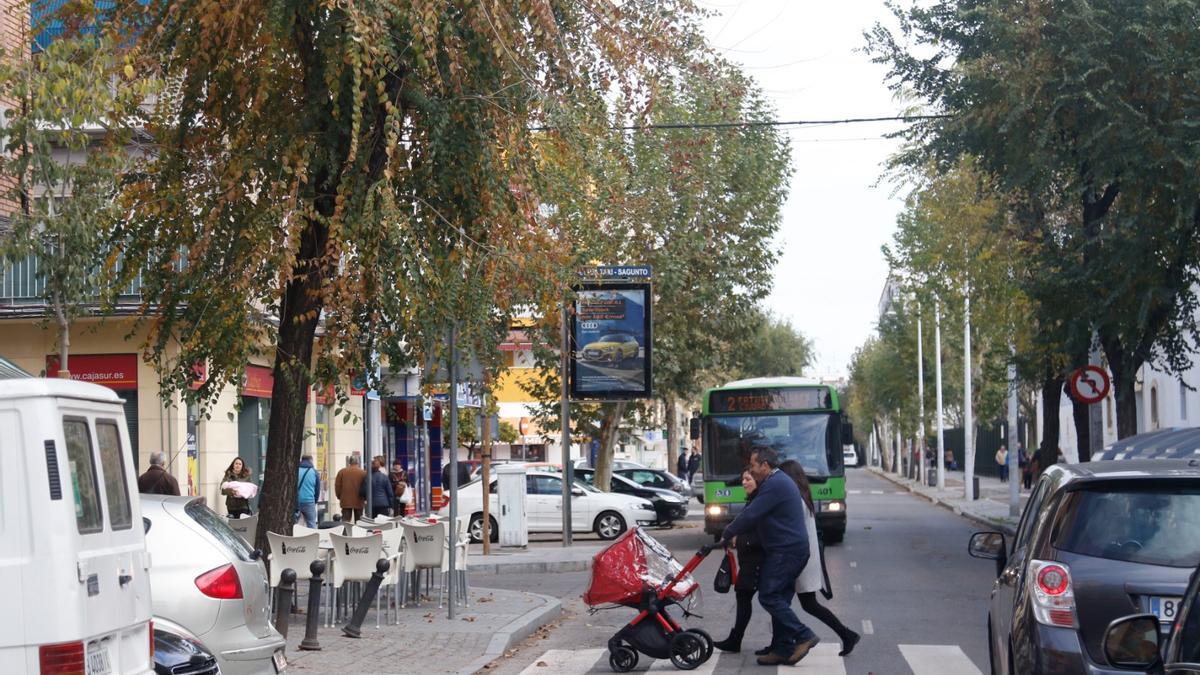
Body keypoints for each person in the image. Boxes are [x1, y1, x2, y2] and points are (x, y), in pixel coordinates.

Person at [719, 446, 819, 666]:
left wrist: (727, 533)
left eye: (754, 465)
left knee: (768, 596)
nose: (751, 470)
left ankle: (803, 635)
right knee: (780, 598)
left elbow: (752, 514)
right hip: (787, 549)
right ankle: (783, 649)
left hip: (787, 551)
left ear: (765, 465)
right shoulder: (775, 482)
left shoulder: (775, 484)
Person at [779, 460, 861, 657]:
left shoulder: (795, 499)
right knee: (801, 603)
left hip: (800, 558)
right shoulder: (803, 496)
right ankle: (846, 634)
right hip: (806, 557)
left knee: (789, 602)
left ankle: (844, 634)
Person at [713, 470, 766, 654]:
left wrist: (739, 540)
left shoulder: (760, 501)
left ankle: (736, 640)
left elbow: (762, 533)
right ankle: (736, 639)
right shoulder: (753, 499)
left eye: (748, 479)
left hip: (757, 559)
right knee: (746, 597)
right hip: (750, 559)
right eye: (742, 479)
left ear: (758, 481)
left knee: (767, 600)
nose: (743, 483)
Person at [334, 454, 367, 523]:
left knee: (346, 520)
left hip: (346, 500)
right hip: (359, 500)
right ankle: (358, 533)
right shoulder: (363, 473)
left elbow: (337, 486)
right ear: (358, 462)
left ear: (349, 462)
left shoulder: (342, 472)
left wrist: (339, 496)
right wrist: (365, 498)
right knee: (359, 520)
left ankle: (345, 533)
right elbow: (365, 487)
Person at [296, 455, 320, 528]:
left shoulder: (296, 470)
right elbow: (317, 489)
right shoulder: (314, 472)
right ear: (311, 460)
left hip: (296, 502)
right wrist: (315, 501)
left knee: (294, 525)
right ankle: (312, 538)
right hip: (309, 502)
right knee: (311, 524)